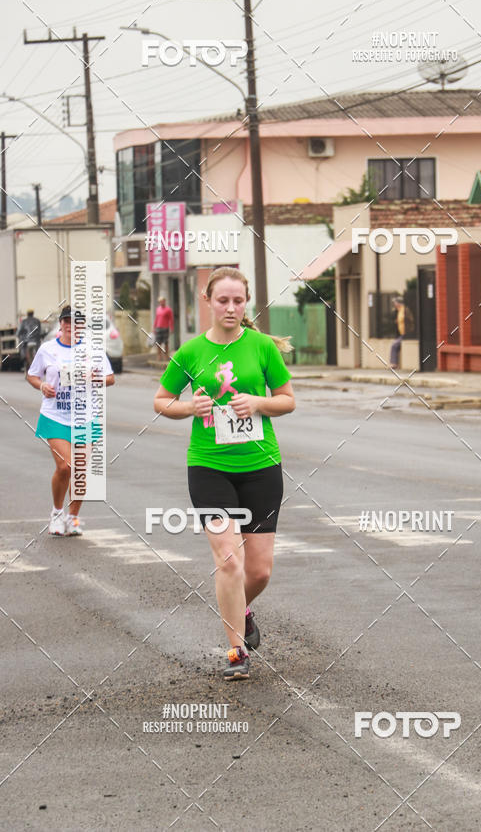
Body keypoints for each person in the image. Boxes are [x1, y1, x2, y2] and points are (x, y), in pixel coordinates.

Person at [153, 267, 295, 681]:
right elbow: (161, 400)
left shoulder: (262, 347)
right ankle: (236, 649)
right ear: (208, 300)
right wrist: (188, 408)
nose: (231, 308)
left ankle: (241, 609)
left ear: (246, 302)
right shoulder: (191, 352)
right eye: (223, 300)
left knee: (259, 571)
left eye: (238, 301)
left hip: (261, 466)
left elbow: (287, 400)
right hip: (209, 466)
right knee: (228, 559)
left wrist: (258, 402)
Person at [27, 305, 115, 536]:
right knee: (65, 466)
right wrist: (42, 386)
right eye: (67, 321)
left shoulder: (92, 350)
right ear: (62, 324)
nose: (71, 326)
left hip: (86, 417)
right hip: (55, 415)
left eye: (76, 322)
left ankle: (72, 517)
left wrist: (96, 378)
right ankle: (57, 513)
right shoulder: (47, 349)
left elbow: (110, 378)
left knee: (80, 471)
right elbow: (32, 375)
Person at [18, 309, 42, 374]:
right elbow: (40, 332)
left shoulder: (24, 322)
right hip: (36, 342)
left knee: (26, 356)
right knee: (37, 356)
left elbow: (19, 332)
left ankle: (29, 369)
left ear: (27, 314)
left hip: (27, 342)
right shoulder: (37, 321)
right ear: (33, 314)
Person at [154, 296, 174, 361]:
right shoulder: (158, 309)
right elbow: (156, 319)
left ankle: (166, 355)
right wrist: (154, 327)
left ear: (164, 301)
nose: (161, 302)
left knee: (166, 343)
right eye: (160, 301)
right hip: (158, 328)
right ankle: (159, 356)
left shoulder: (168, 310)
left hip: (165, 328)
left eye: (162, 301)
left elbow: (171, 319)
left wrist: (171, 328)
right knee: (158, 343)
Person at [389, 296, 405, 370]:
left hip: (405, 334)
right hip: (401, 334)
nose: (394, 305)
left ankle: (394, 364)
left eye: (395, 303)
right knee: (395, 344)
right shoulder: (398, 311)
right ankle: (394, 363)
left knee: (394, 345)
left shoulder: (404, 310)